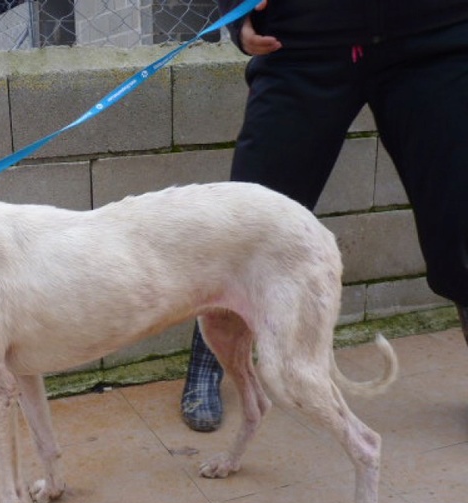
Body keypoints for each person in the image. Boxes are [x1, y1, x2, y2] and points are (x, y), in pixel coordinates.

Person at [181, 0, 468, 432]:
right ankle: (209, 360)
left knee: (460, 216)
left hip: (434, 37)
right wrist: (237, 13)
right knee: (249, 223)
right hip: (302, 39)